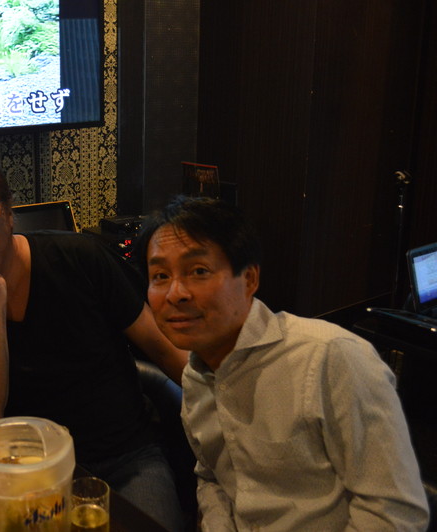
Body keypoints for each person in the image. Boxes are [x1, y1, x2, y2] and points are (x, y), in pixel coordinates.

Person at [0, 143, 191, 530]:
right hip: (20, 479)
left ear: (9, 211)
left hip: (125, 463)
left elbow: (165, 349)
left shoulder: (81, 258)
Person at [134, 195, 430, 531]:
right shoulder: (195, 376)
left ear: (249, 280)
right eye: (160, 276)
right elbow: (212, 477)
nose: (175, 293)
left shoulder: (332, 357)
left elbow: (394, 514)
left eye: (198, 271)